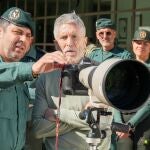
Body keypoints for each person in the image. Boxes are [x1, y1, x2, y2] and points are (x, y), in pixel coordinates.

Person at [32, 12, 105, 150]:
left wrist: (57, 114)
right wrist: (84, 120)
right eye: (64, 37)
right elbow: (37, 129)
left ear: (85, 41)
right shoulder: (45, 75)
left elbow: (103, 125)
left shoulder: (100, 73)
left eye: (75, 37)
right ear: (56, 44)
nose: (69, 43)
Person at [0, 7, 68, 150]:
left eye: (28, 35)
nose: (23, 39)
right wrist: (33, 68)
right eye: (17, 32)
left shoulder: (21, 80)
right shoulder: (23, 72)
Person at [86, 18, 133, 150]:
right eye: (101, 33)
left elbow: (127, 85)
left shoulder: (124, 56)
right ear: (97, 35)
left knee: (110, 145)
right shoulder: (92, 55)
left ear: (115, 34)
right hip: (94, 105)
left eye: (108, 33)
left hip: (114, 106)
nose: (105, 36)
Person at [113, 28, 150, 150]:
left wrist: (130, 125)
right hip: (122, 120)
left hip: (144, 121)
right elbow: (114, 96)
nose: (141, 46)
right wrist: (119, 123)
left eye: (146, 43)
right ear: (132, 44)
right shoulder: (124, 66)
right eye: (138, 42)